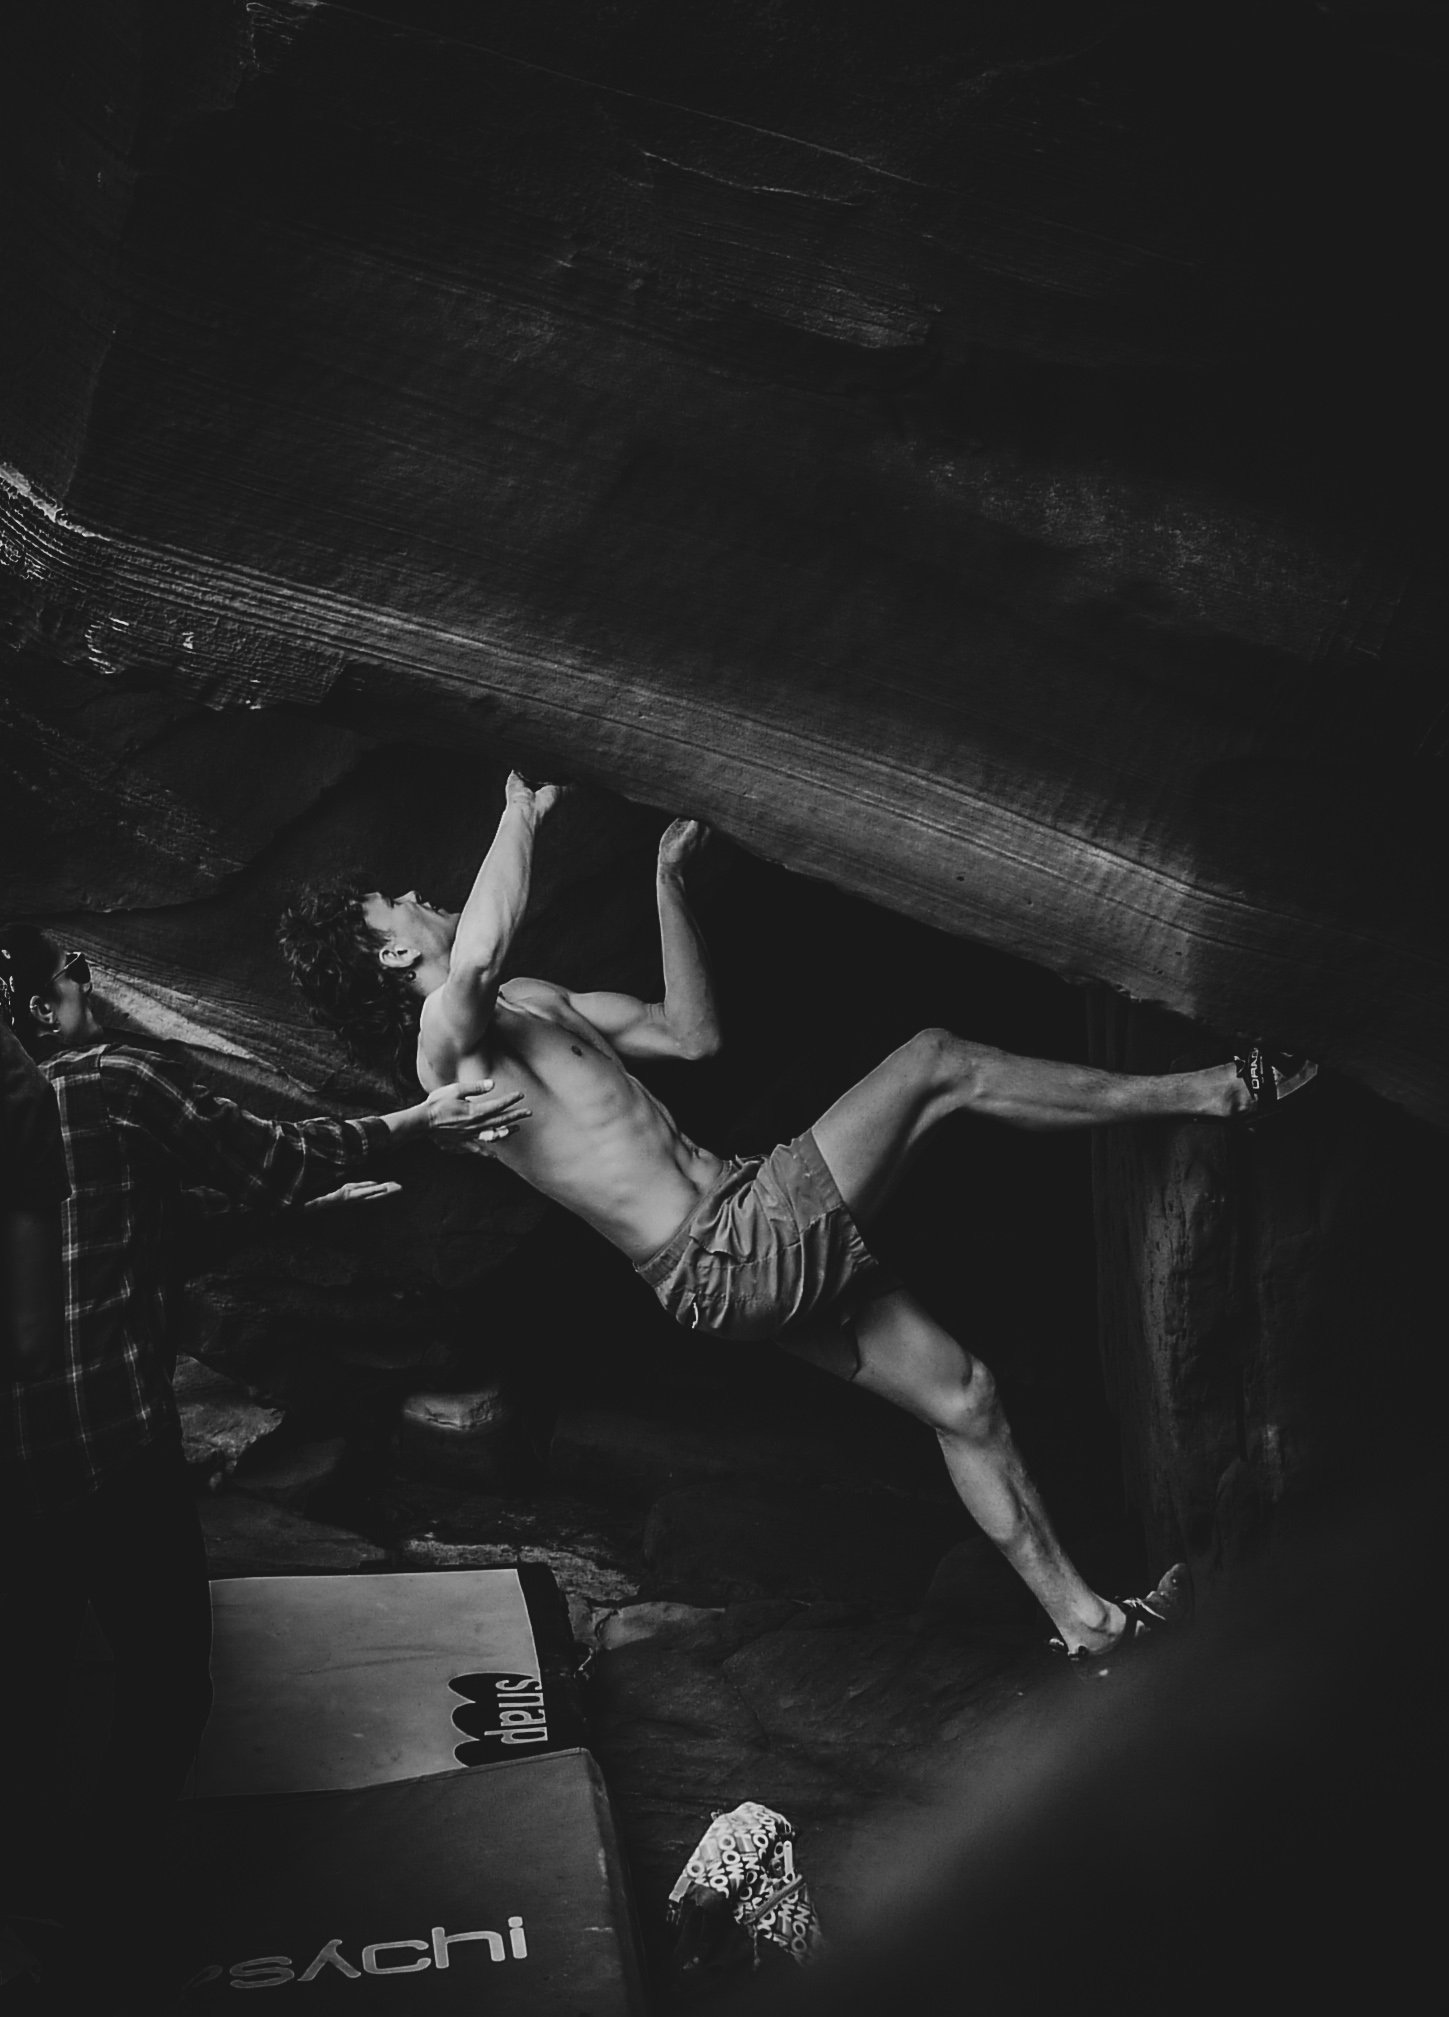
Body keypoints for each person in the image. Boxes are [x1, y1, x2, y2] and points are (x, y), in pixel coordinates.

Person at [279, 778, 1315, 1669]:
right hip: (728, 1251)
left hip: (736, 1233)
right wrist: (519, 810)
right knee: (939, 1062)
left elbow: (691, 1033)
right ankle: (1220, 1091)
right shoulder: (444, 1049)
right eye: (396, 905)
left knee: (965, 1398)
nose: (420, 898)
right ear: (382, 956)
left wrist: (665, 884)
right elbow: (478, 951)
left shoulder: (534, 1002)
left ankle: (1089, 1629)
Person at [0, 923, 528, 1957]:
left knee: (29, 1689)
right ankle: (106, 1896)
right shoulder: (113, 1084)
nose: (85, 976)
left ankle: (28, 1901)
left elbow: (122, 1231)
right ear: (29, 1007)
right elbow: (276, 1158)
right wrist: (417, 1119)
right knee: (165, 1679)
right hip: (109, 1449)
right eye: (68, 968)